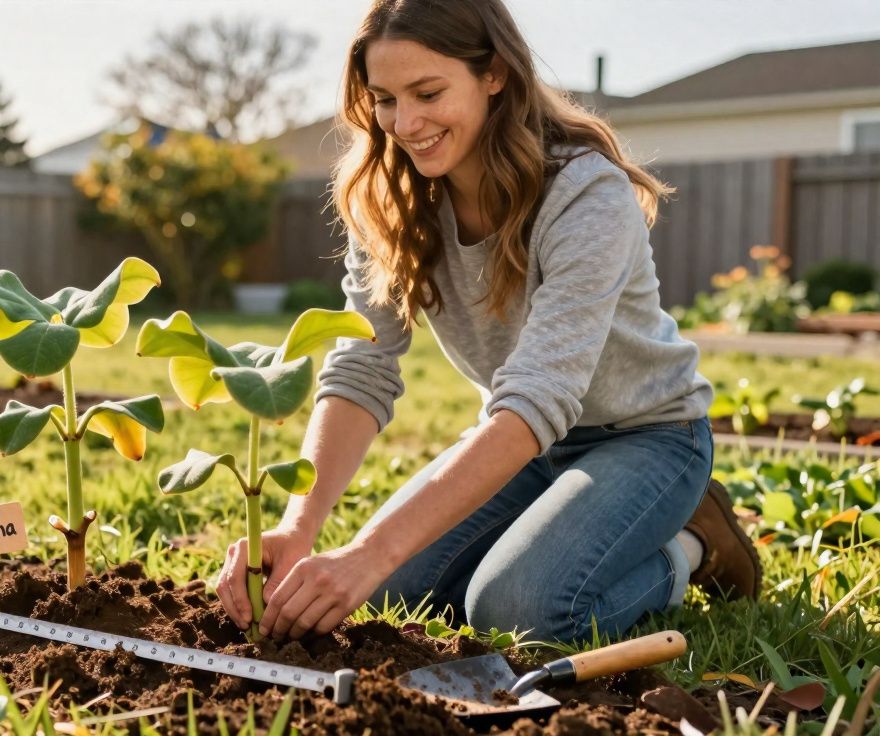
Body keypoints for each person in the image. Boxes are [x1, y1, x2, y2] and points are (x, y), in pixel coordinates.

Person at [215, 0, 761, 644]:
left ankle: (691, 544)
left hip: (647, 438)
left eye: (428, 92)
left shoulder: (586, 193)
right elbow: (362, 366)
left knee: (517, 612)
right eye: (385, 99)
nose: (406, 122)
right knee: (394, 594)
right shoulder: (392, 200)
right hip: (526, 445)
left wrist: (369, 551)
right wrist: (297, 527)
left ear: (494, 73)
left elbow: (538, 396)